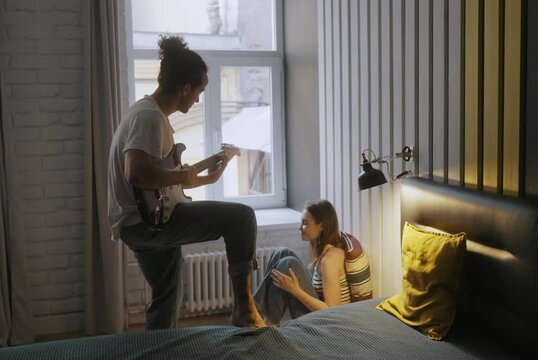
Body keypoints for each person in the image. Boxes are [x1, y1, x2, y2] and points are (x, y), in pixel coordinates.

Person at [107, 35, 265, 330]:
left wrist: (212, 171)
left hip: (139, 222)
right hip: (145, 223)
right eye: (199, 91)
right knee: (241, 218)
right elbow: (136, 173)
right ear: (185, 88)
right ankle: (244, 309)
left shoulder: (148, 113)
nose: (198, 99)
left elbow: (163, 184)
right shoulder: (149, 118)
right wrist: (182, 175)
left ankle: (157, 349)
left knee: (167, 295)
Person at [253, 200, 356, 325]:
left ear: (321, 226)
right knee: (282, 253)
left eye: (305, 223)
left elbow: (331, 310)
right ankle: (255, 309)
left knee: (289, 263)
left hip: (327, 323)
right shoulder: (323, 251)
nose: (300, 227)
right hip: (319, 314)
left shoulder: (329, 260)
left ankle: (262, 319)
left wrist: (295, 290)